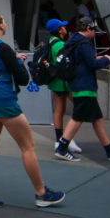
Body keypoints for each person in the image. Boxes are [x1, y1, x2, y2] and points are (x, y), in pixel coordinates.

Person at [0, 12, 64, 209]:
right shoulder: (4, 48)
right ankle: (41, 193)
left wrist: (12, 60)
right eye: (4, 21)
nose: (6, 23)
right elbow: (22, 78)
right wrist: (18, 62)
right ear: (1, 27)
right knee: (28, 147)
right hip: (4, 101)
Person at [53, 16, 110, 162]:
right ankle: (62, 148)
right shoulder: (84, 44)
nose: (95, 33)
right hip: (85, 86)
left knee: (97, 118)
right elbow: (92, 63)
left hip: (77, 84)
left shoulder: (72, 42)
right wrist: (106, 59)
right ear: (88, 28)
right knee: (77, 118)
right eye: (94, 30)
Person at [44, 18, 81, 154]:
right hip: (63, 81)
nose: (66, 28)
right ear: (59, 30)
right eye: (63, 26)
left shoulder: (51, 42)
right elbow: (66, 63)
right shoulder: (59, 45)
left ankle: (59, 139)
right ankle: (67, 138)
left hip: (55, 81)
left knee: (59, 109)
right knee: (79, 104)